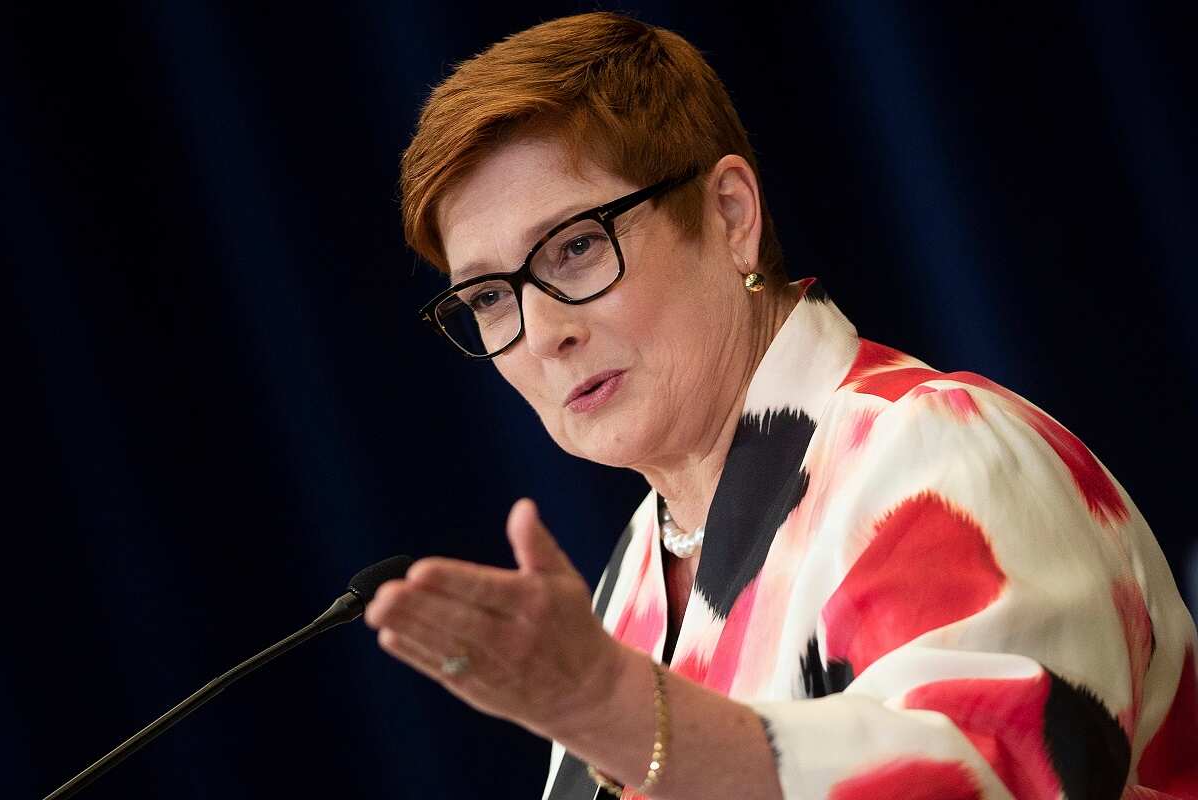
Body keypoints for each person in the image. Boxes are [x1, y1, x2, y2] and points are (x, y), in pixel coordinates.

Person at [363, 12, 1198, 800]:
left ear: (730, 214)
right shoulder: (631, 586)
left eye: (577, 247)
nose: (541, 332)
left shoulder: (931, 452)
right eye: (487, 299)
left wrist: (611, 710)